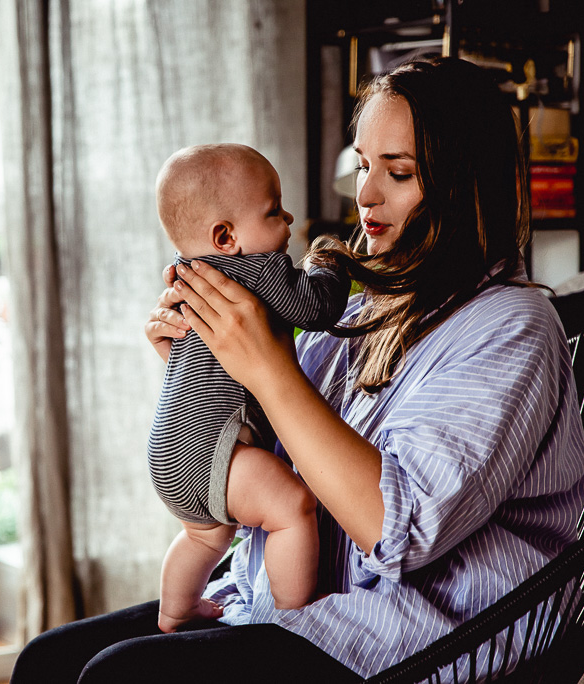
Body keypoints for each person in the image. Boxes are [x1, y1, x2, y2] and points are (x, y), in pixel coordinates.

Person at [10, 57, 584, 683]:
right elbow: (285, 455)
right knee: (48, 662)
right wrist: (207, 368)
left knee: (119, 676)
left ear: (465, 185)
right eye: (364, 165)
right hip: (303, 604)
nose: (365, 194)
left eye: (397, 172)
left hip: (418, 636)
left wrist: (265, 368)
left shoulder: (511, 326)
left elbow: (399, 531)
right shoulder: (367, 310)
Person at [148, 143, 350, 632]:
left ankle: (175, 611)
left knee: (202, 537)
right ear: (226, 236)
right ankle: (293, 613)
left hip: (168, 450)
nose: (288, 219)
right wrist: (331, 262)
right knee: (293, 507)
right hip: (218, 451)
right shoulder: (258, 270)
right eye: (273, 210)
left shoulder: (186, 274)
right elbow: (316, 308)